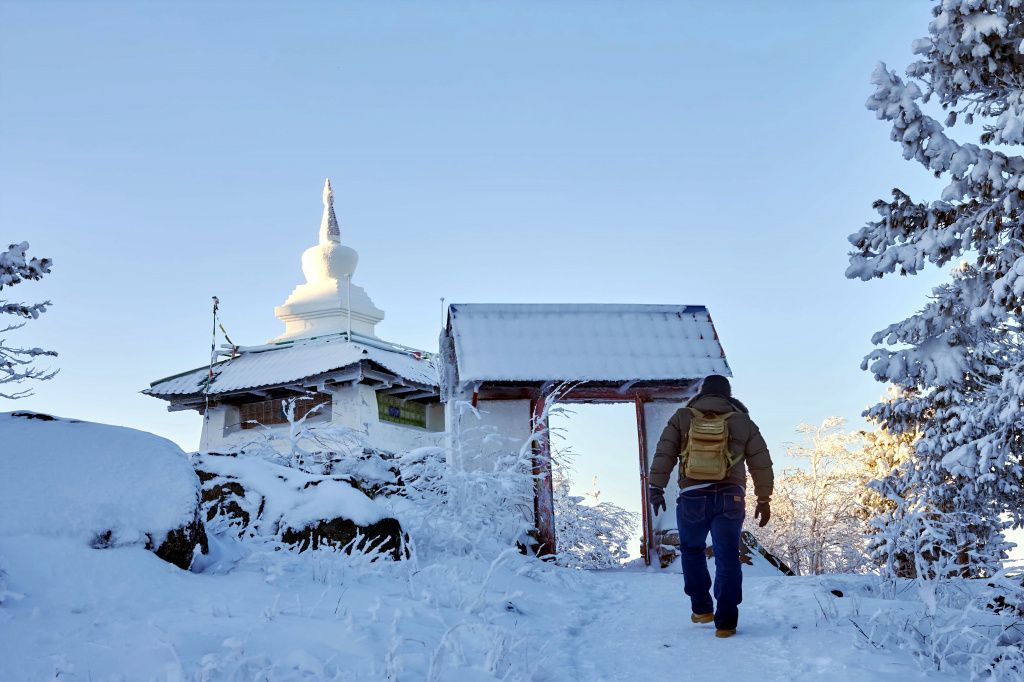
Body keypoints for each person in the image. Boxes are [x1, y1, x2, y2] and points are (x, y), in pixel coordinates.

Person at [648, 374, 773, 638]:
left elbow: (664, 452)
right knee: (727, 556)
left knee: (691, 550)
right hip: (731, 496)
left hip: (692, 495)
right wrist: (764, 499)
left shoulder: (683, 417)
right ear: (728, 394)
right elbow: (761, 462)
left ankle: (702, 608)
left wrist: (656, 487)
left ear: (703, 392)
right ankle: (726, 623)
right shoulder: (742, 421)